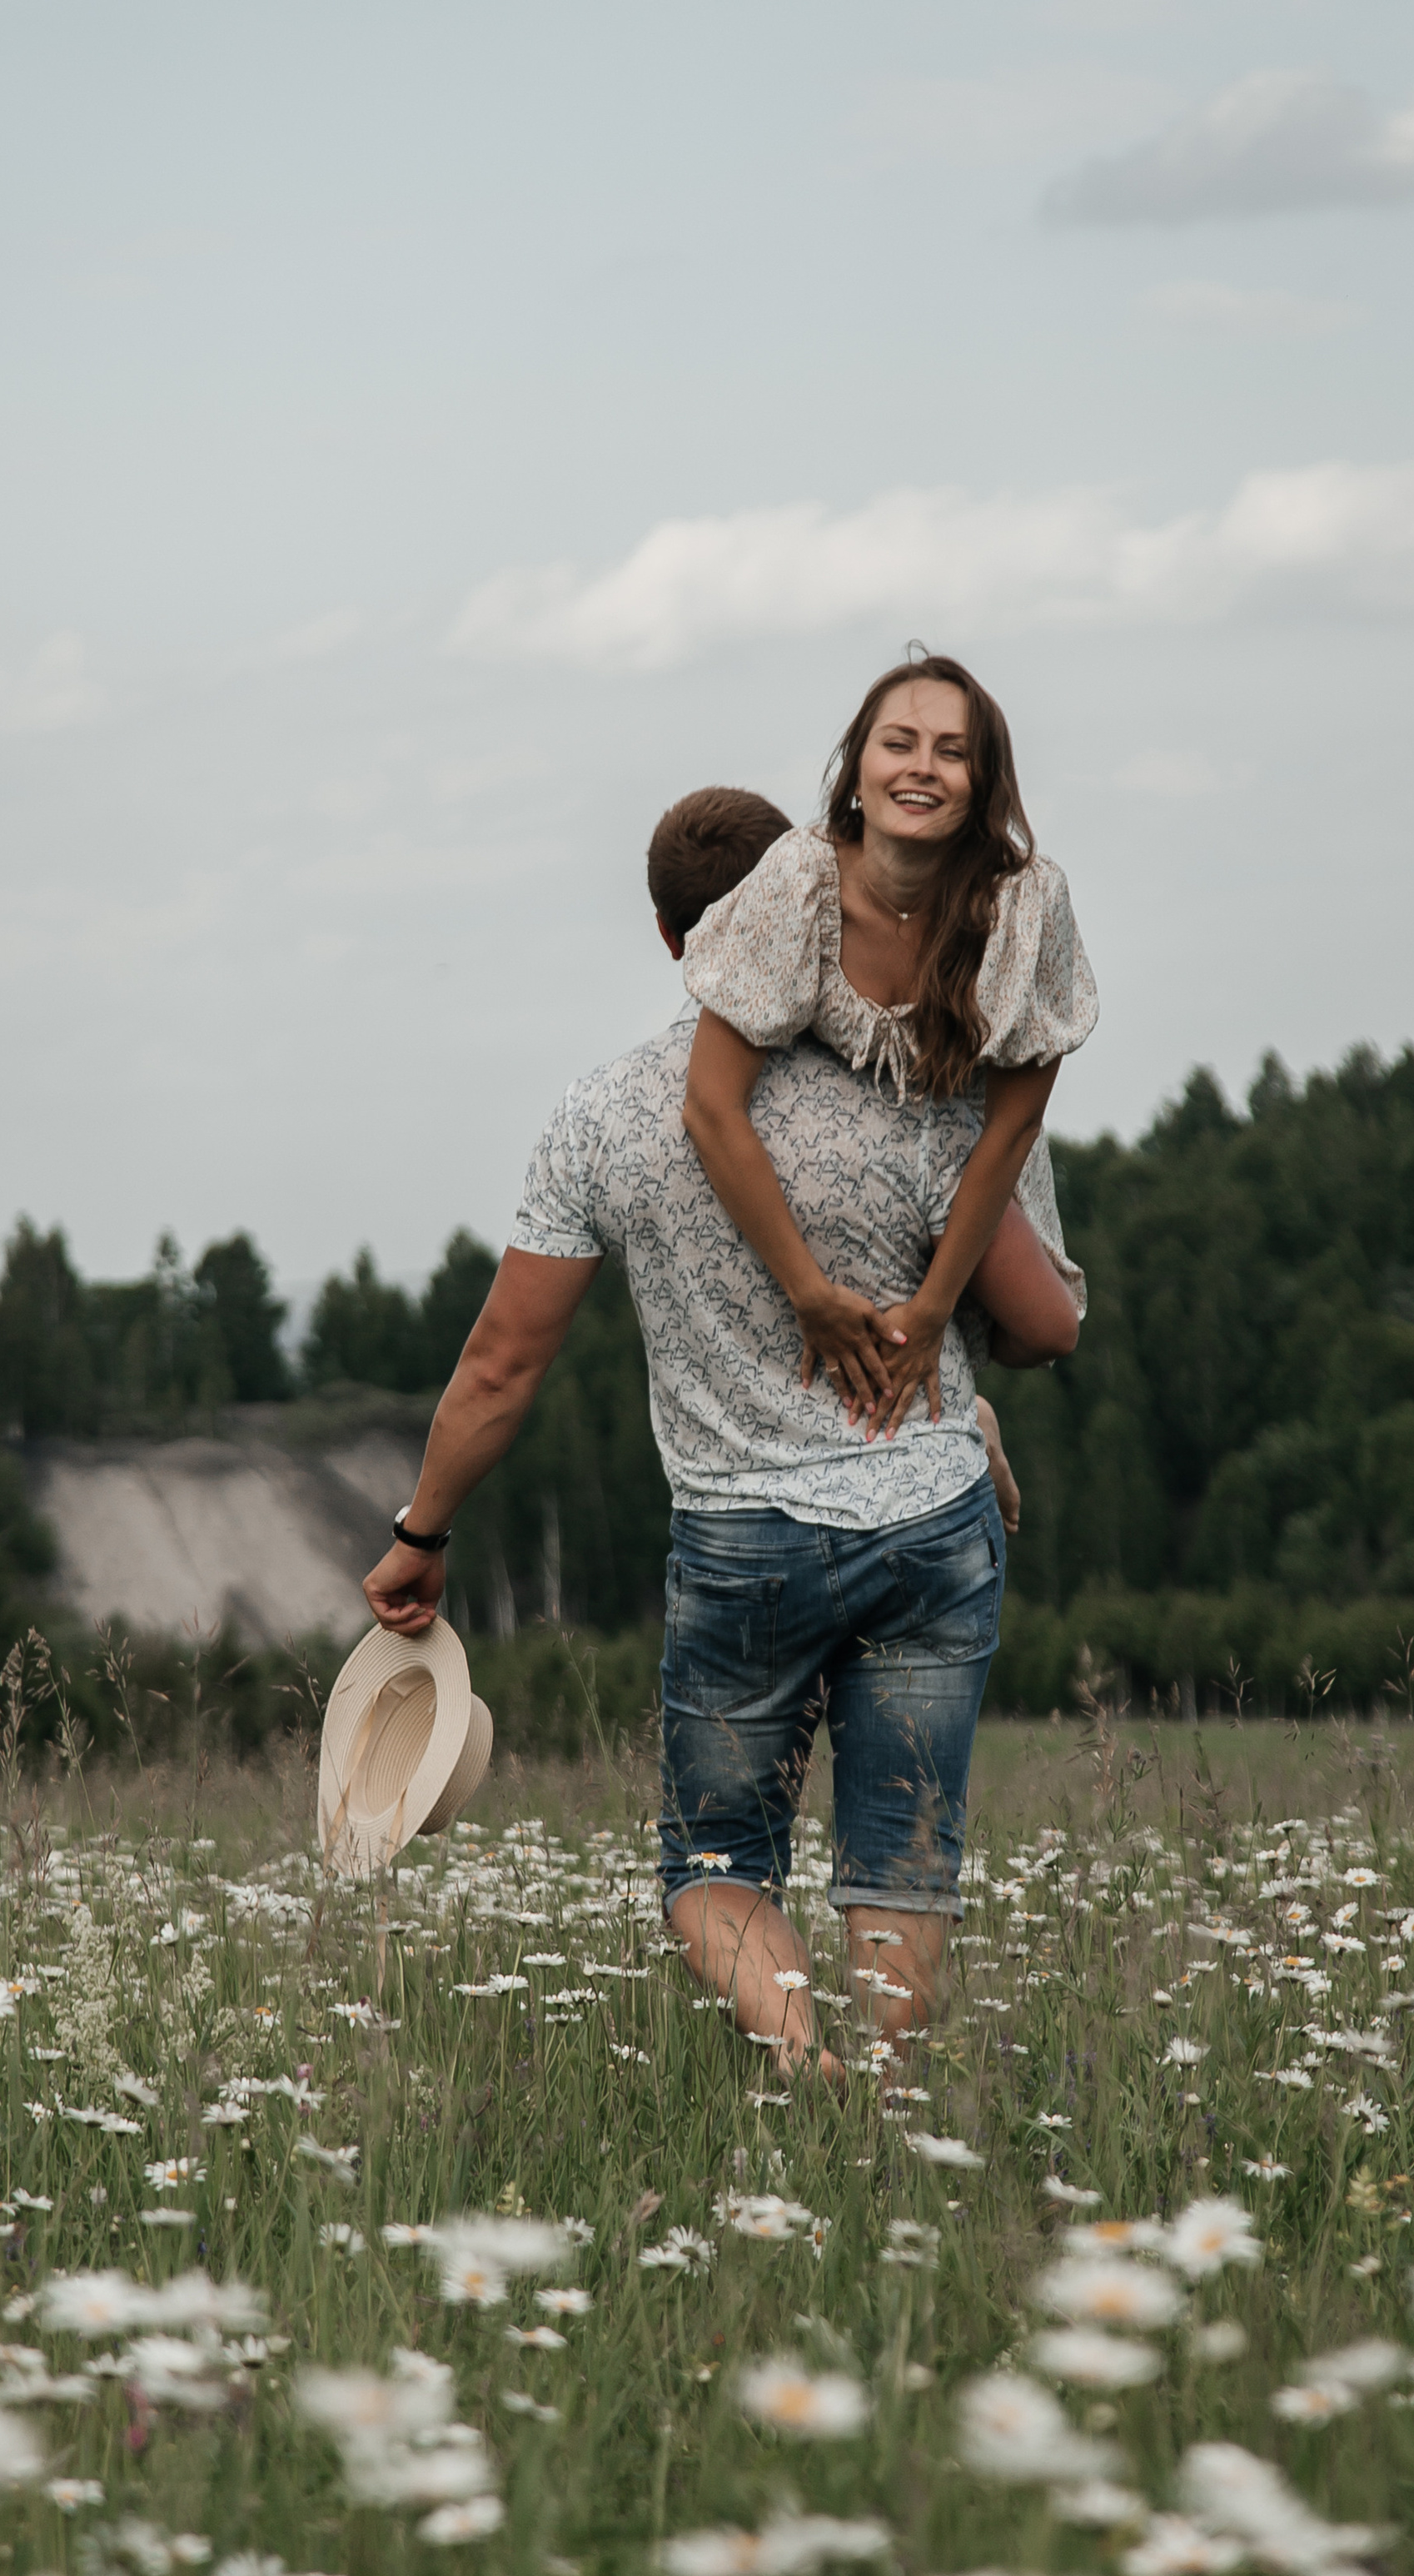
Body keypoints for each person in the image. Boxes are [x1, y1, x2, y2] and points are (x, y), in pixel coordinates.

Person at [361, 785, 1040, 2076]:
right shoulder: (917, 1086)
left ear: (674, 942)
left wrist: (423, 1533)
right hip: (930, 1522)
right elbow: (1040, 1320)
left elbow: (502, 1365)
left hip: (744, 1545)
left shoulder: (601, 1115)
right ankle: (893, 2106)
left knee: (717, 1866)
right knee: (902, 1860)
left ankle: (798, 2055)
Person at [680, 653, 1095, 1439]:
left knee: (1047, 1332)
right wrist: (810, 1294)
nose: (922, 768)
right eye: (898, 744)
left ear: (985, 784)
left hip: (968, 1151)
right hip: (847, 1143)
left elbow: (1013, 1125)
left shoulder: (1026, 903)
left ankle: (974, 1412)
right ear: (857, 769)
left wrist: (934, 1312)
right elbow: (710, 1105)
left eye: (952, 752)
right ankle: (967, 1422)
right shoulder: (800, 878)